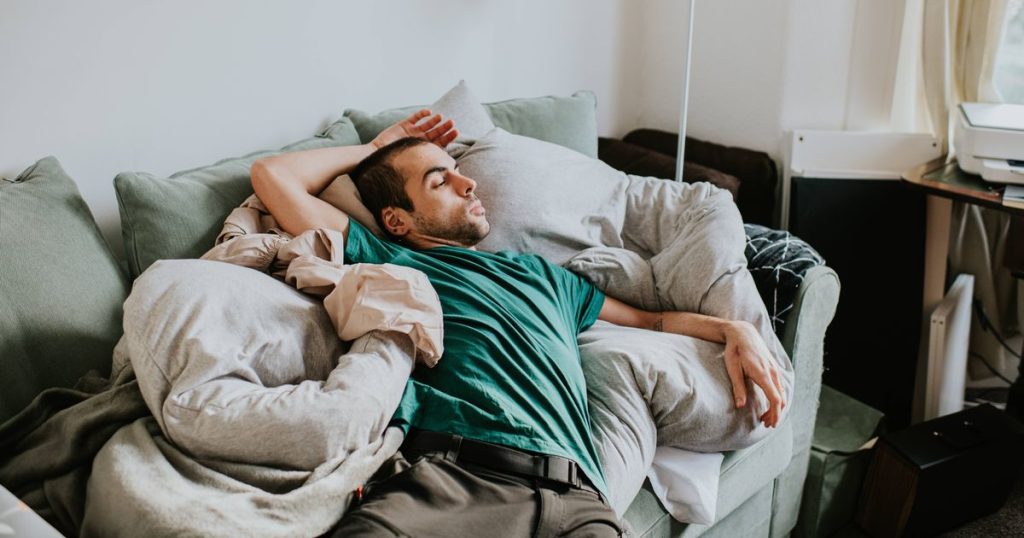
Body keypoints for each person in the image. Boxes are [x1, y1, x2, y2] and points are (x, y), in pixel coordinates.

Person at [252, 109, 787, 537]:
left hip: (579, 499)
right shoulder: (393, 262)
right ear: (398, 220)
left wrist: (734, 330)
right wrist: (373, 150)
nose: (469, 185)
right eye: (441, 181)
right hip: (457, 480)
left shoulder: (545, 276)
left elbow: (657, 320)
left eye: (462, 174)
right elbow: (272, 176)